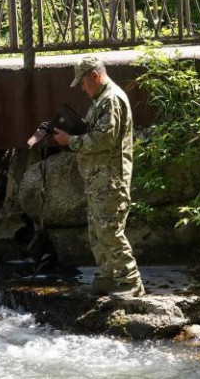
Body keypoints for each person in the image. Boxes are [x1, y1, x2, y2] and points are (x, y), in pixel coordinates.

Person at [52, 55, 144, 298]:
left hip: (110, 179)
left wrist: (70, 141)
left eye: (82, 82)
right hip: (98, 179)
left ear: (95, 75)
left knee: (109, 230)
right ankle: (107, 276)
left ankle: (130, 281)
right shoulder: (102, 100)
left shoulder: (111, 99)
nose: (82, 88)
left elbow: (105, 138)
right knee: (97, 231)